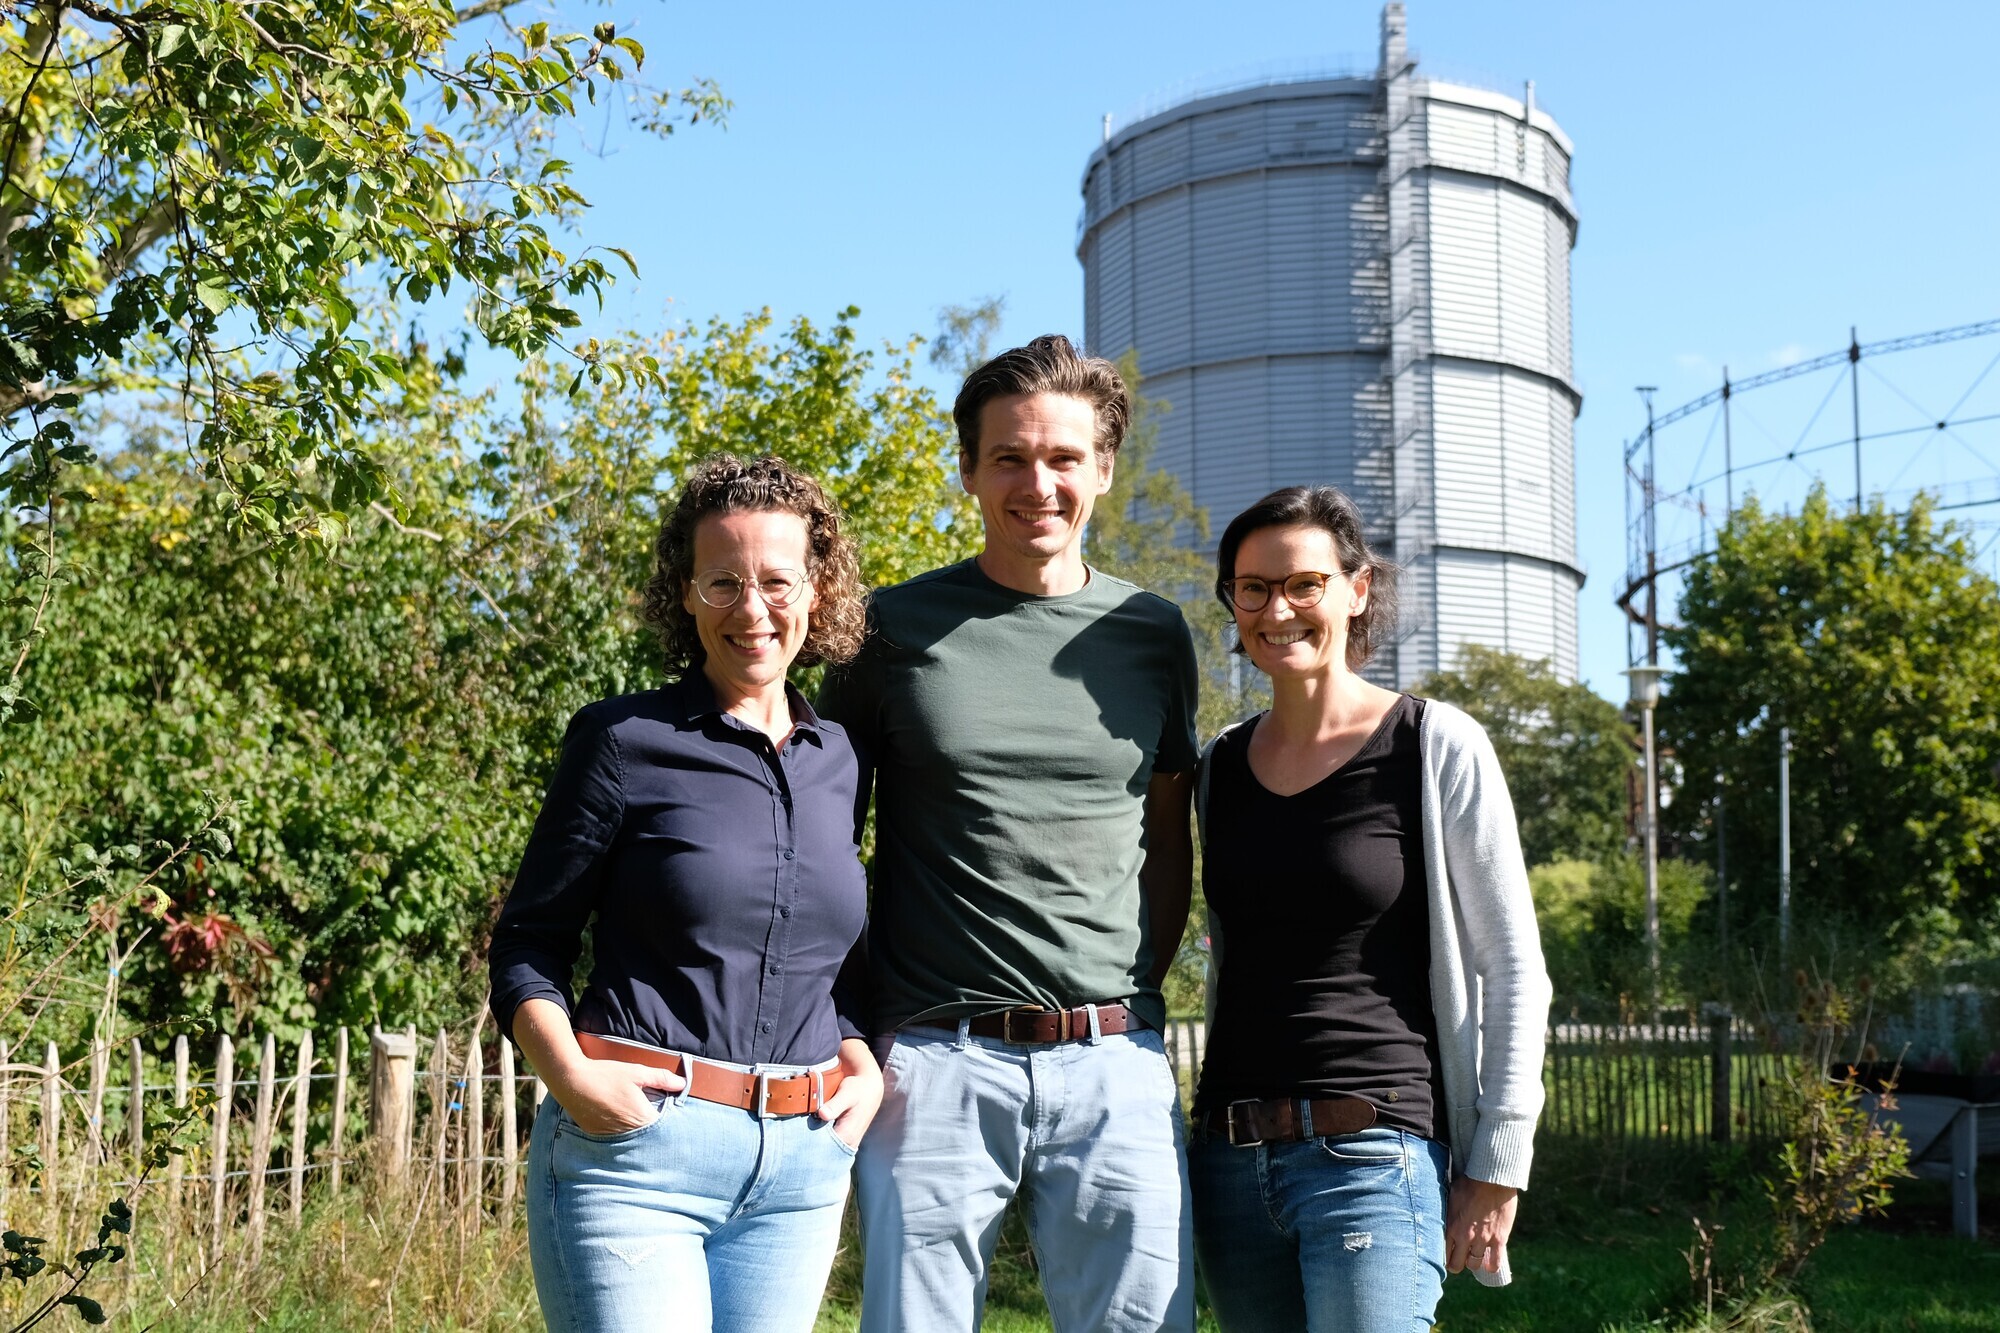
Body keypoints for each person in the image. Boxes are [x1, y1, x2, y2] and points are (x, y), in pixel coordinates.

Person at [817, 335, 1200, 1333]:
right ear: (969, 470)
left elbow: (1165, 833)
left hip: (1113, 1057)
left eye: (1063, 458)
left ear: (1103, 467)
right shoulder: (888, 629)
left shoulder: (1153, 632)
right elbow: (820, 840)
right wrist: (862, 1026)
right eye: (1009, 458)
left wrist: (1126, 1000)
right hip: (935, 1060)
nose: (1038, 482)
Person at [488, 453, 884, 1333]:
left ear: (817, 589)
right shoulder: (622, 740)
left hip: (800, 1167)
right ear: (685, 595)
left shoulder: (840, 760)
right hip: (637, 1154)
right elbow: (526, 945)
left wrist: (858, 1053)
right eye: (722, 583)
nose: (752, 609)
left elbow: (821, 945)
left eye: (777, 581)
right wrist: (572, 1079)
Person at [1187, 485, 1551, 1332]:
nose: (1278, 608)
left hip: (1375, 1156)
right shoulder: (1220, 766)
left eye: (1304, 583)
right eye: (1253, 588)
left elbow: (1515, 968)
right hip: (1232, 1163)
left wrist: (1500, 1159)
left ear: (1356, 589)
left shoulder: (1434, 743)